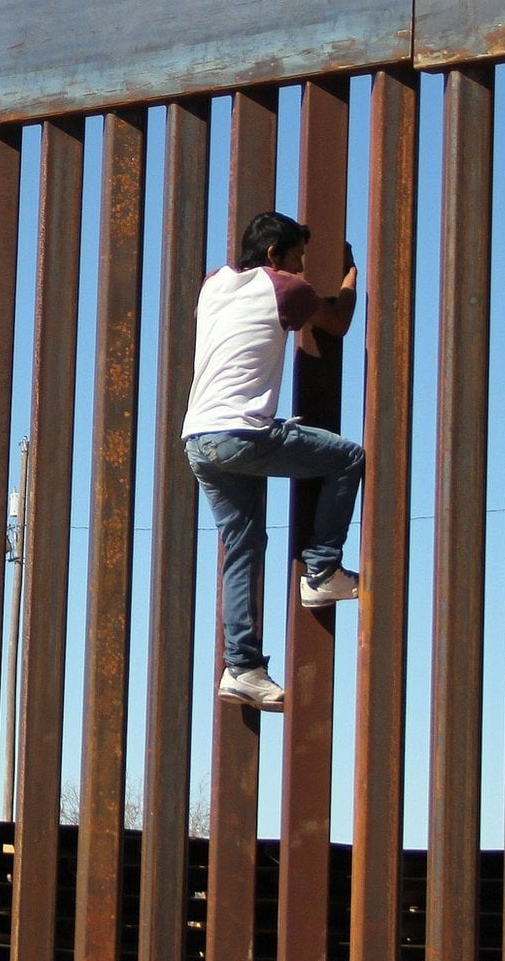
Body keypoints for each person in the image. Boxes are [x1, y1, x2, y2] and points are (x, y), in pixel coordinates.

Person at [184, 211, 364, 712]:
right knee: (348, 457)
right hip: (241, 434)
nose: (303, 269)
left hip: (200, 439)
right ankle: (322, 570)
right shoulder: (286, 287)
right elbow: (338, 321)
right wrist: (350, 277)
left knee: (243, 545)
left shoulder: (213, 284)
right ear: (273, 257)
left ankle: (241, 668)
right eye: (298, 258)